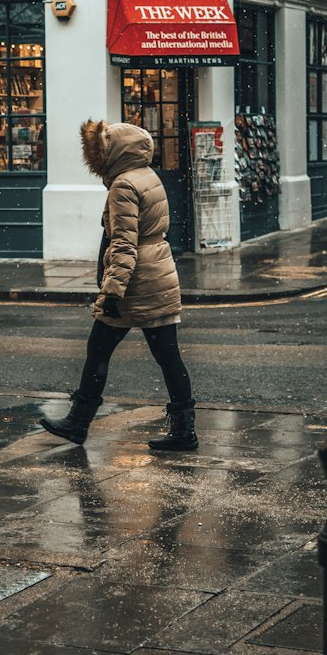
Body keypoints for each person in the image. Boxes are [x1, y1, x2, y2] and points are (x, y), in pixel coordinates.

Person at [40, 118, 198, 452]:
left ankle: (78, 422)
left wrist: (112, 292)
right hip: (158, 271)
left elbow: (124, 242)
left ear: (116, 153)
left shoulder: (124, 186)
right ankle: (184, 430)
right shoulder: (146, 175)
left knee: (98, 350)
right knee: (168, 355)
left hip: (135, 281)